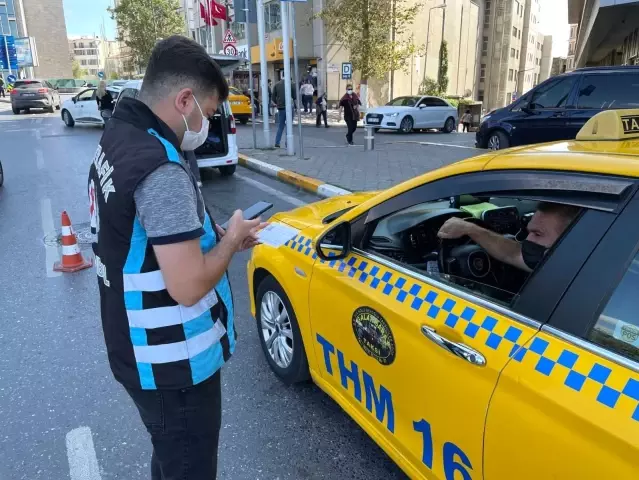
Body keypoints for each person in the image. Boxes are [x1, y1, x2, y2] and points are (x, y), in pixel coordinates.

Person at [88, 36, 265, 480]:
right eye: (206, 112)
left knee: (171, 459)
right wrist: (230, 244)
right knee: (188, 464)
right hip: (173, 362)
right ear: (184, 99)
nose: (206, 124)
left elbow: (144, 235)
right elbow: (186, 287)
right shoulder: (159, 167)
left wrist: (216, 239)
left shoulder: (121, 136)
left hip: (139, 351)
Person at [438, 202, 580, 272]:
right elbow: (512, 253)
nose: (528, 240)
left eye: (538, 234)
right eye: (529, 232)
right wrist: (470, 229)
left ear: (570, 238)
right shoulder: (563, 262)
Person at [271, 77, 296, 148]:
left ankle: (277, 142)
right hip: (289, 107)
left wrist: (278, 103)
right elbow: (294, 97)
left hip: (281, 107)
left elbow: (273, 97)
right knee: (289, 125)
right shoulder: (292, 84)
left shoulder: (277, 84)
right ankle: (287, 143)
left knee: (281, 125)